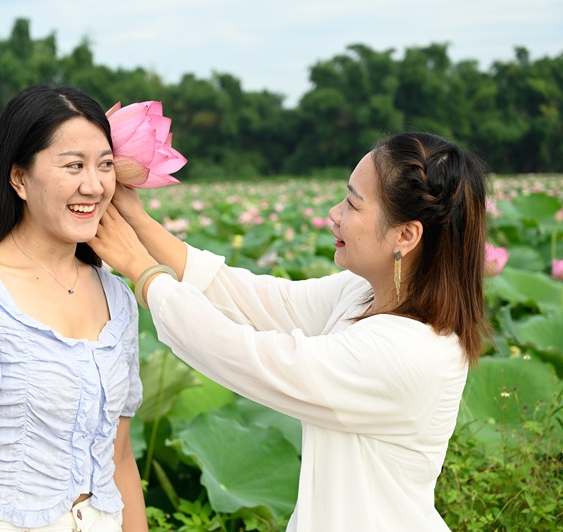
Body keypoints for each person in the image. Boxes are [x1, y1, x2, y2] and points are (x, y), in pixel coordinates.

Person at [89, 132, 488, 531]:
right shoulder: (364, 295)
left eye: (352, 203)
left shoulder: (407, 352)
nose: (334, 213)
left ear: (405, 235)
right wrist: (138, 221)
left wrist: (140, 270)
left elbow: (244, 355)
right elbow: (256, 299)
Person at [0, 83, 147, 532]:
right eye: (73, 165)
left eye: (105, 165)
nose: (93, 185)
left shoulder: (118, 296)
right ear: (18, 177)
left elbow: (121, 457)